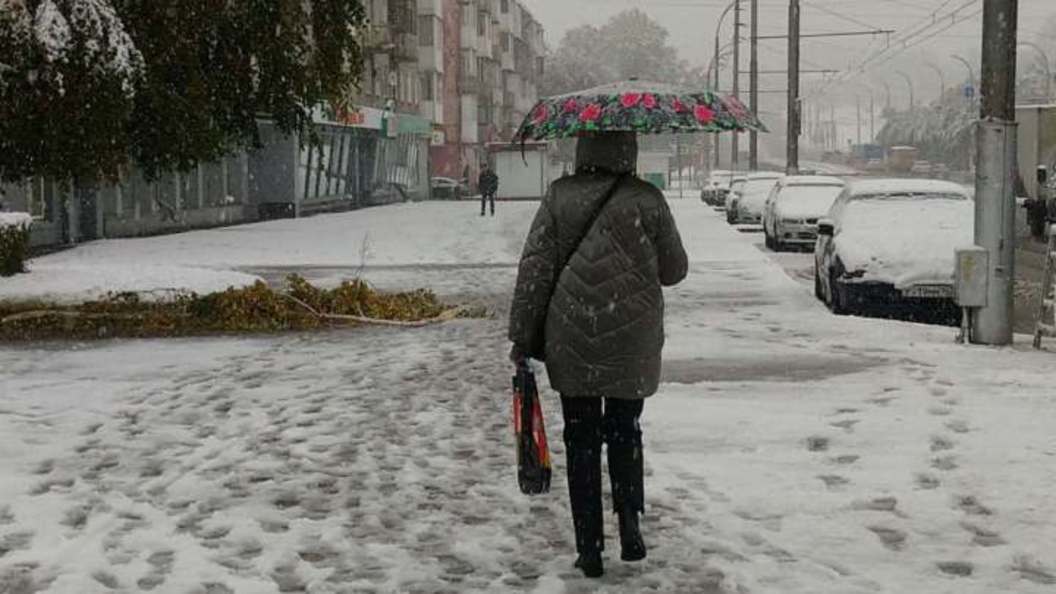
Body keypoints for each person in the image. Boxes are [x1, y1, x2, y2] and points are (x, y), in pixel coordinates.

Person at [507, 131, 688, 578]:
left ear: (582, 149)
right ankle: (630, 526)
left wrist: (522, 337)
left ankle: (589, 547)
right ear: (629, 150)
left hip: (573, 335)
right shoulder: (648, 198)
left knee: (581, 438)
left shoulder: (559, 197)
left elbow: (535, 270)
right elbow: (674, 270)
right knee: (625, 429)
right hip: (632, 338)